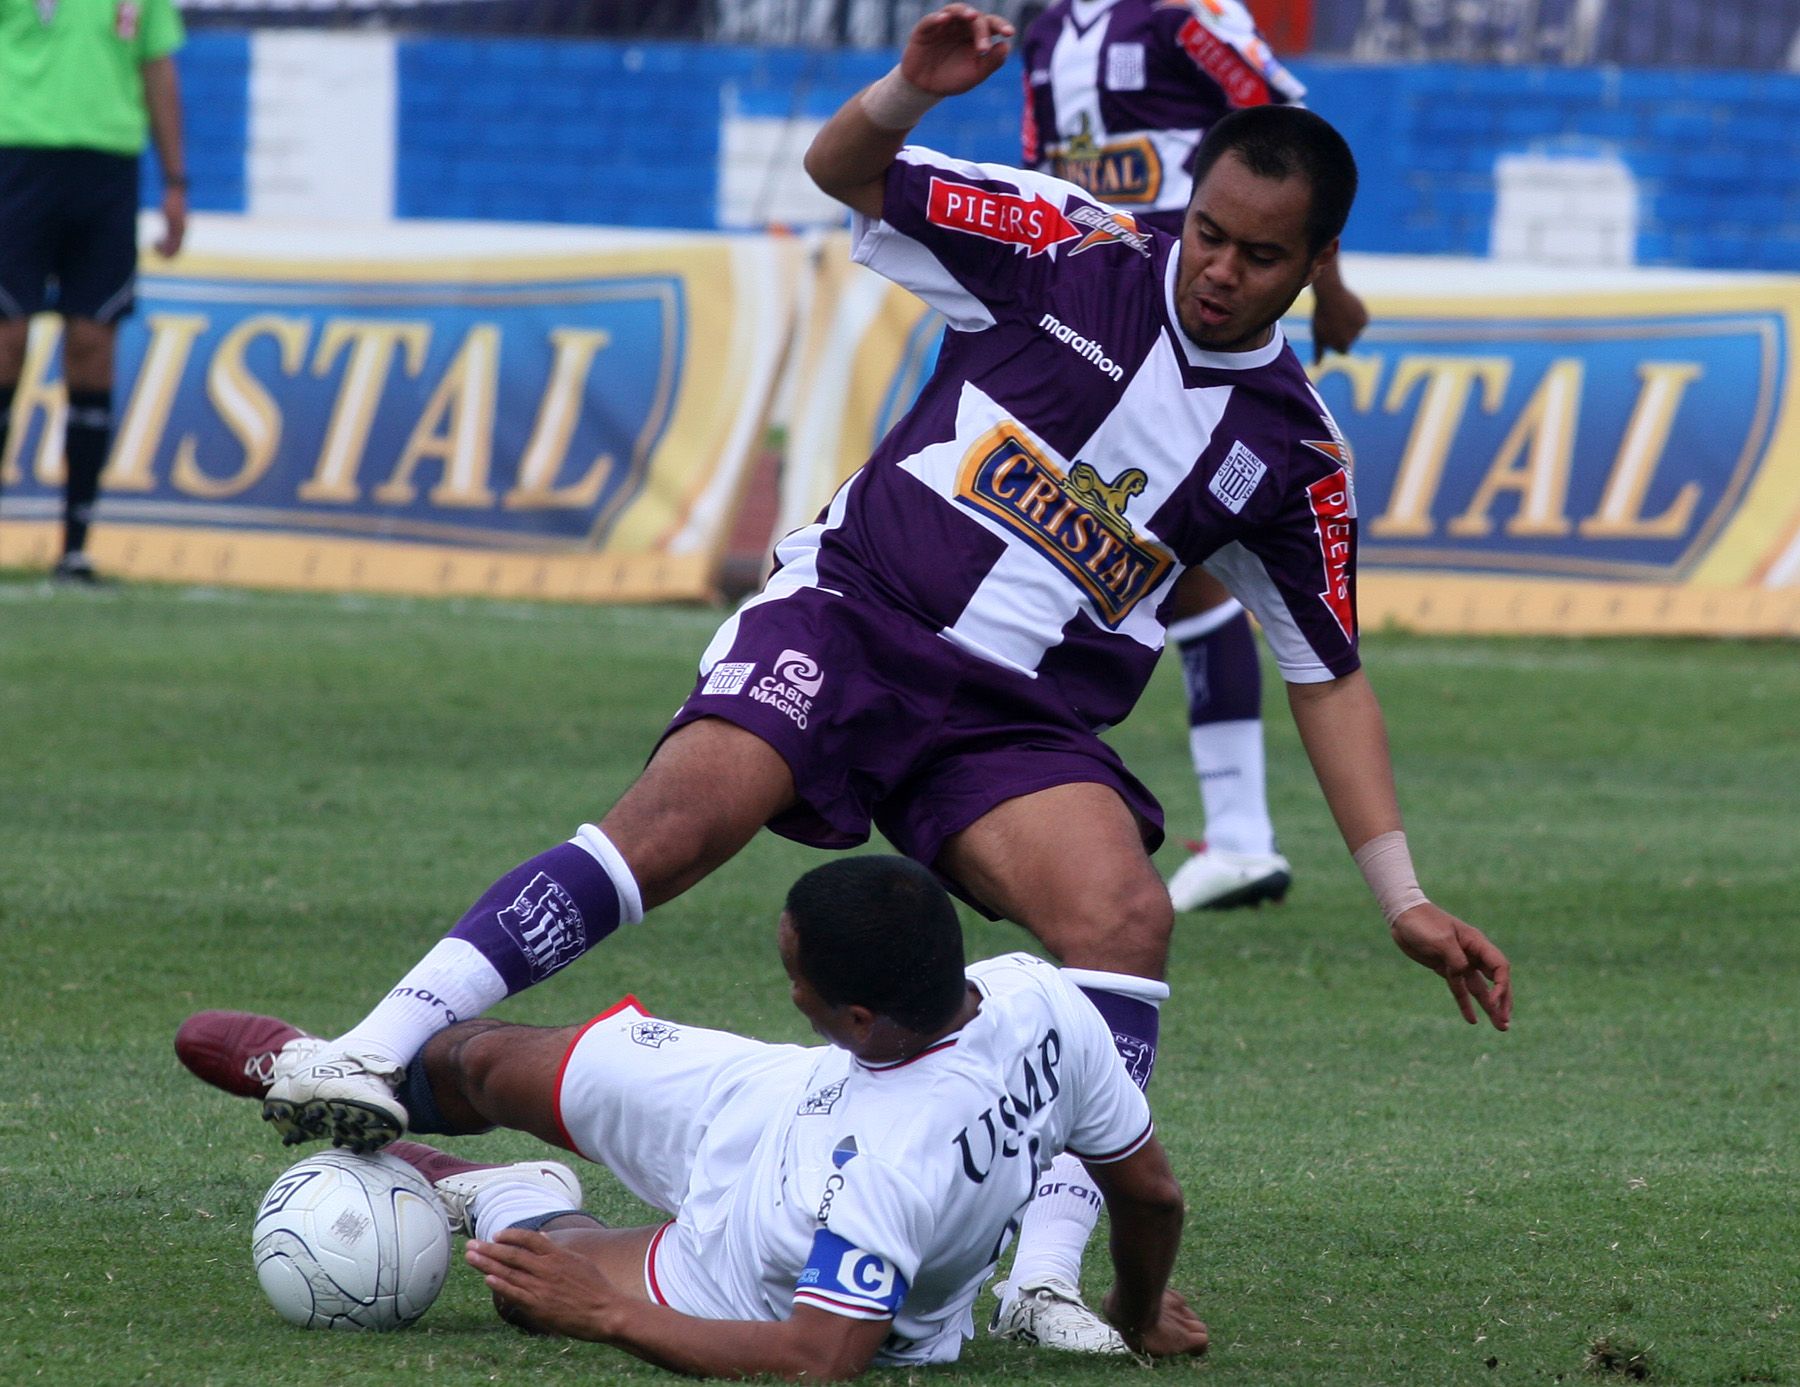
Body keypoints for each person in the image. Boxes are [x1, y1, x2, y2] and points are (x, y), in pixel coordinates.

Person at [246, 1, 1508, 1357]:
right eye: (1207, 232)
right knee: (677, 823)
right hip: (855, 615)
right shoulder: (1069, 241)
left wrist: (1405, 894)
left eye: (1262, 256)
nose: (1216, 270)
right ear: (1186, 207)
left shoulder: (1297, 454)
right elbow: (843, 172)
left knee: (1122, 912)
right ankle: (377, 1044)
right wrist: (910, 88)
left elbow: (1328, 674)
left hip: (1016, 725)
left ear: (1318, 262)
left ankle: (1045, 1272)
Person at [178, 856, 1209, 1377]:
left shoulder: (897, 1162)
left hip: (751, 1265)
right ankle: (335, 1067)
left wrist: (606, 1313)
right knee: (487, 1057)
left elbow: (818, 1358)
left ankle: (509, 1196)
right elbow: (1150, 1194)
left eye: (791, 968)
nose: (784, 977)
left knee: (536, 1272)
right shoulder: (1039, 993)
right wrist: (1135, 1305)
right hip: (782, 1095)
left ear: (855, 1011)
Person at [1019, 0, 1371, 913]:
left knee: (1176, 564)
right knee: (1144, 564)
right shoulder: (1046, 29)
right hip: (1096, 323)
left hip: (1197, 341)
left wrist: (1327, 283)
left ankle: (1237, 835)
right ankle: (1239, 837)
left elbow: (1289, 136)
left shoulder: (1187, 17)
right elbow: (1038, 172)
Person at [0, 0, 187, 583]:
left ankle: (75, 545)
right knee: (6, 336)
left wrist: (176, 181)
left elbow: (157, 68)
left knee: (92, 340)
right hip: (17, 156)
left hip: (107, 167)